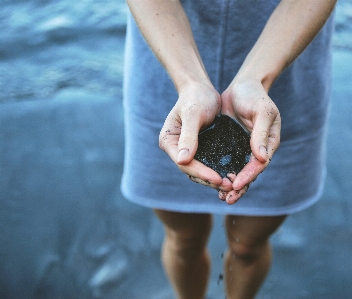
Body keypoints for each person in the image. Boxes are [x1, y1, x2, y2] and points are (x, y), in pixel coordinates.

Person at [121, 0, 336, 298]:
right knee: (183, 238)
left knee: (248, 245)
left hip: (286, 73)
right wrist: (189, 83)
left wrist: (256, 78)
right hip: (168, 67)